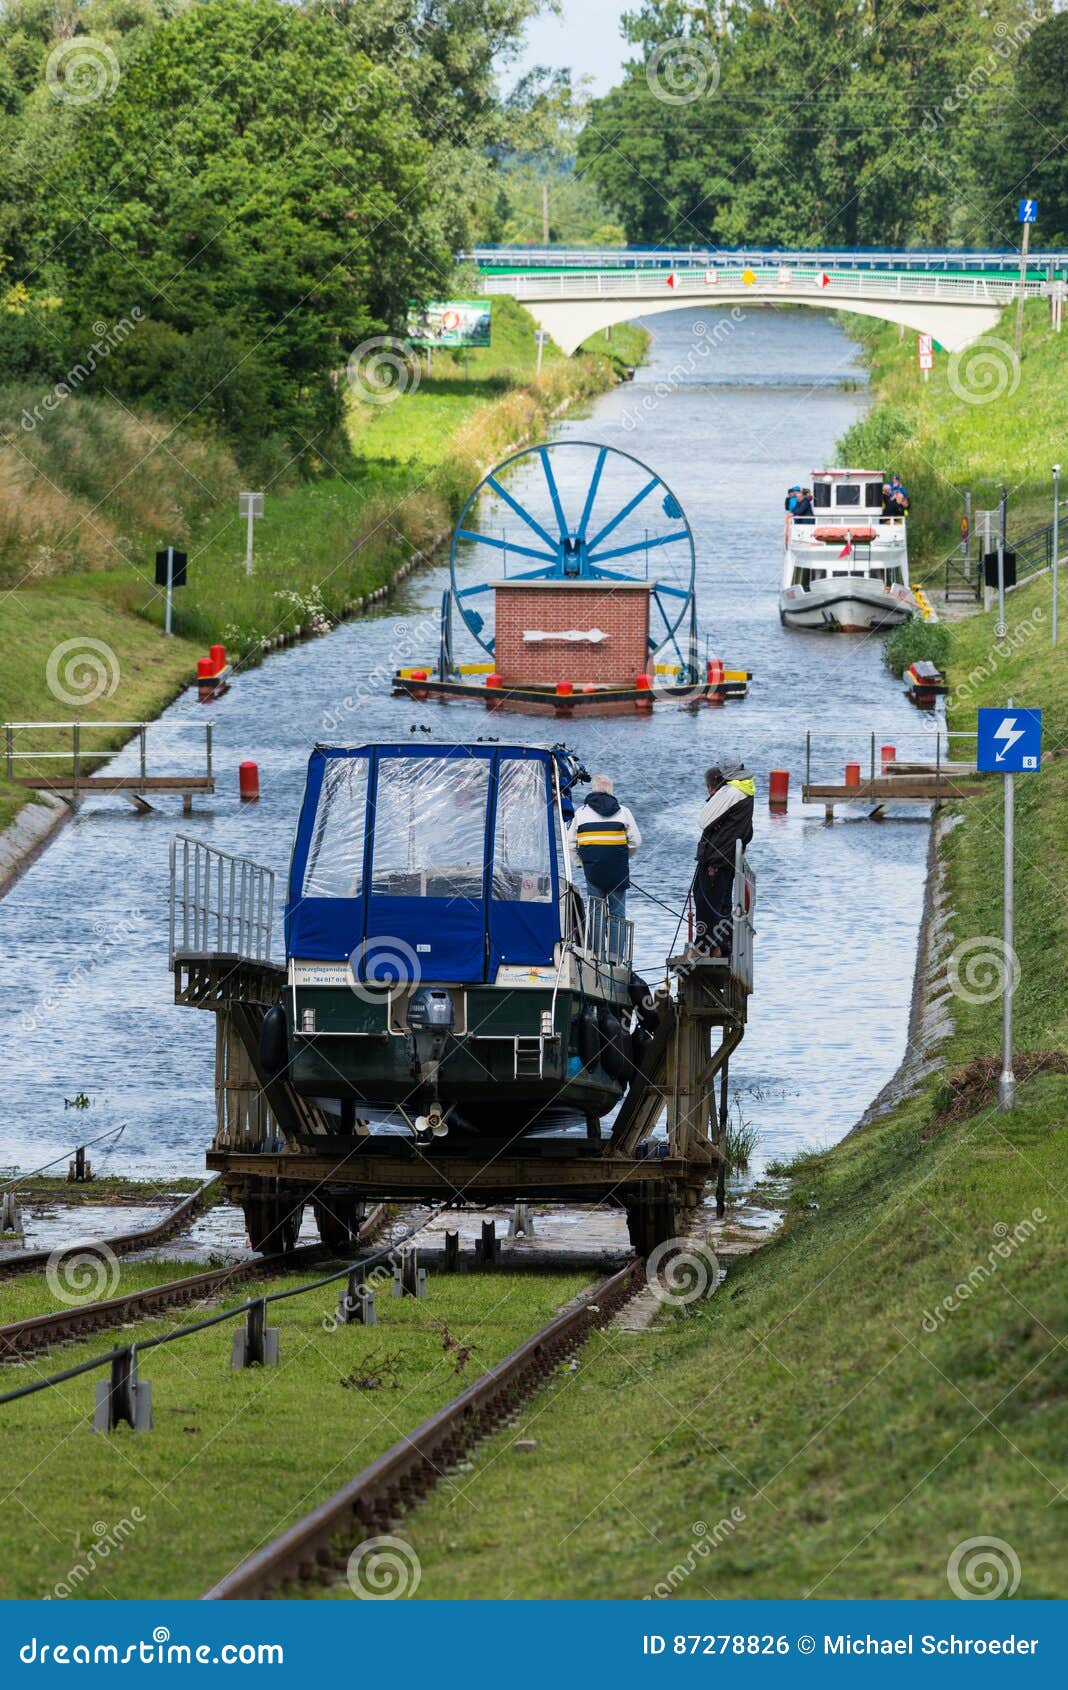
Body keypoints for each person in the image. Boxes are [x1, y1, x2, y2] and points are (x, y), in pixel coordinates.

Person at [568, 774, 641, 954]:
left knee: (596, 914)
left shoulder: (581, 813)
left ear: (593, 790)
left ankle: (598, 956)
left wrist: (581, 864)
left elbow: (570, 844)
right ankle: (616, 958)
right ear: (611, 790)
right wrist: (621, 857)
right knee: (618, 915)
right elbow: (636, 842)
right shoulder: (623, 812)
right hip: (618, 871)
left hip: (593, 871)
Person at [693, 761, 754, 957]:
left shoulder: (731, 793)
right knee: (722, 903)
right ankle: (721, 945)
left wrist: (715, 799)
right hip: (728, 858)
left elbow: (703, 820)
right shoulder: (747, 792)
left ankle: (703, 946)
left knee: (705, 901)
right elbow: (748, 831)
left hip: (716, 858)